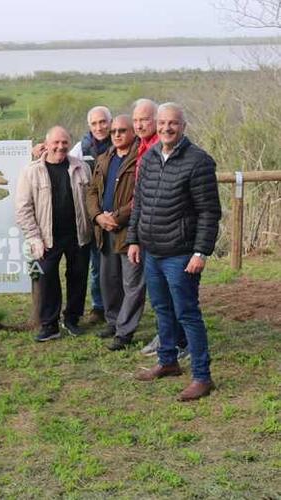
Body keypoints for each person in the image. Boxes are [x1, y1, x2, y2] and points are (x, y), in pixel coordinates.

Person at [127, 103, 221, 401]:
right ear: (157, 124)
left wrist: (200, 252)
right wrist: (133, 239)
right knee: (162, 309)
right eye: (163, 123)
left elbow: (209, 212)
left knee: (187, 314)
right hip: (152, 251)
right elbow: (139, 202)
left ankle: (203, 377)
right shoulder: (151, 156)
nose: (167, 128)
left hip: (181, 254)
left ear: (183, 126)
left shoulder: (199, 161)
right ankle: (168, 361)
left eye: (174, 123)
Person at [15, 126, 92, 341]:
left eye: (64, 142)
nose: (60, 147)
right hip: (47, 237)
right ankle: (50, 325)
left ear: (69, 144)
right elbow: (23, 208)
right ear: (46, 144)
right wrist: (33, 237)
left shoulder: (81, 167)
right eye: (56, 143)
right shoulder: (32, 171)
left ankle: (72, 319)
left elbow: (90, 199)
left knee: (78, 277)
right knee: (47, 277)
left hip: (78, 234)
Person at [132, 98, 188, 358]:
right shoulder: (144, 148)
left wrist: (199, 250)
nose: (140, 124)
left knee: (179, 298)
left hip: (174, 238)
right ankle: (167, 341)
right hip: (150, 233)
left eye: (145, 119)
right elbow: (141, 197)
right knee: (161, 299)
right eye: (136, 120)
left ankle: (181, 342)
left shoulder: (168, 149)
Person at [86, 115, 146, 351]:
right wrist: (99, 217)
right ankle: (113, 321)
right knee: (108, 281)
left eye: (122, 130)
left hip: (129, 230)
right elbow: (91, 192)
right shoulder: (104, 158)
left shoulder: (141, 158)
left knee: (132, 283)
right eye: (113, 132)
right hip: (105, 230)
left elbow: (141, 196)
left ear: (133, 132)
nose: (117, 135)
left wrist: (117, 217)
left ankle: (125, 332)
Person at [70, 106, 113, 325]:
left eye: (103, 122)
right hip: (90, 216)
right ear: (89, 126)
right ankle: (99, 307)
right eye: (94, 123)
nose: (99, 127)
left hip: (115, 215)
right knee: (96, 265)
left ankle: (117, 306)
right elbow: (64, 163)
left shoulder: (121, 143)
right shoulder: (81, 148)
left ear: (111, 121)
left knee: (115, 264)